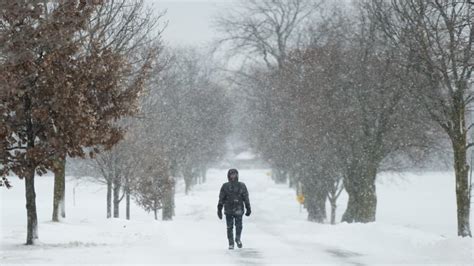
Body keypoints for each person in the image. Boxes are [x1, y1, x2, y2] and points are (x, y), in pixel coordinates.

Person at [217, 168, 251, 249]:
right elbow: (221, 198)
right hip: (228, 209)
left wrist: (248, 208)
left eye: (234, 174)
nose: (233, 176)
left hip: (239, 209)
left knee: (239, 226)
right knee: (229, 227)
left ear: (237, 175)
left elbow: (246, 197)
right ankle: (231, 243)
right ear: (228, 175)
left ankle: (238, 238)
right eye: (231, 174)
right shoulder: (225, 186)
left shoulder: (242, 185)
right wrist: (219, 209)